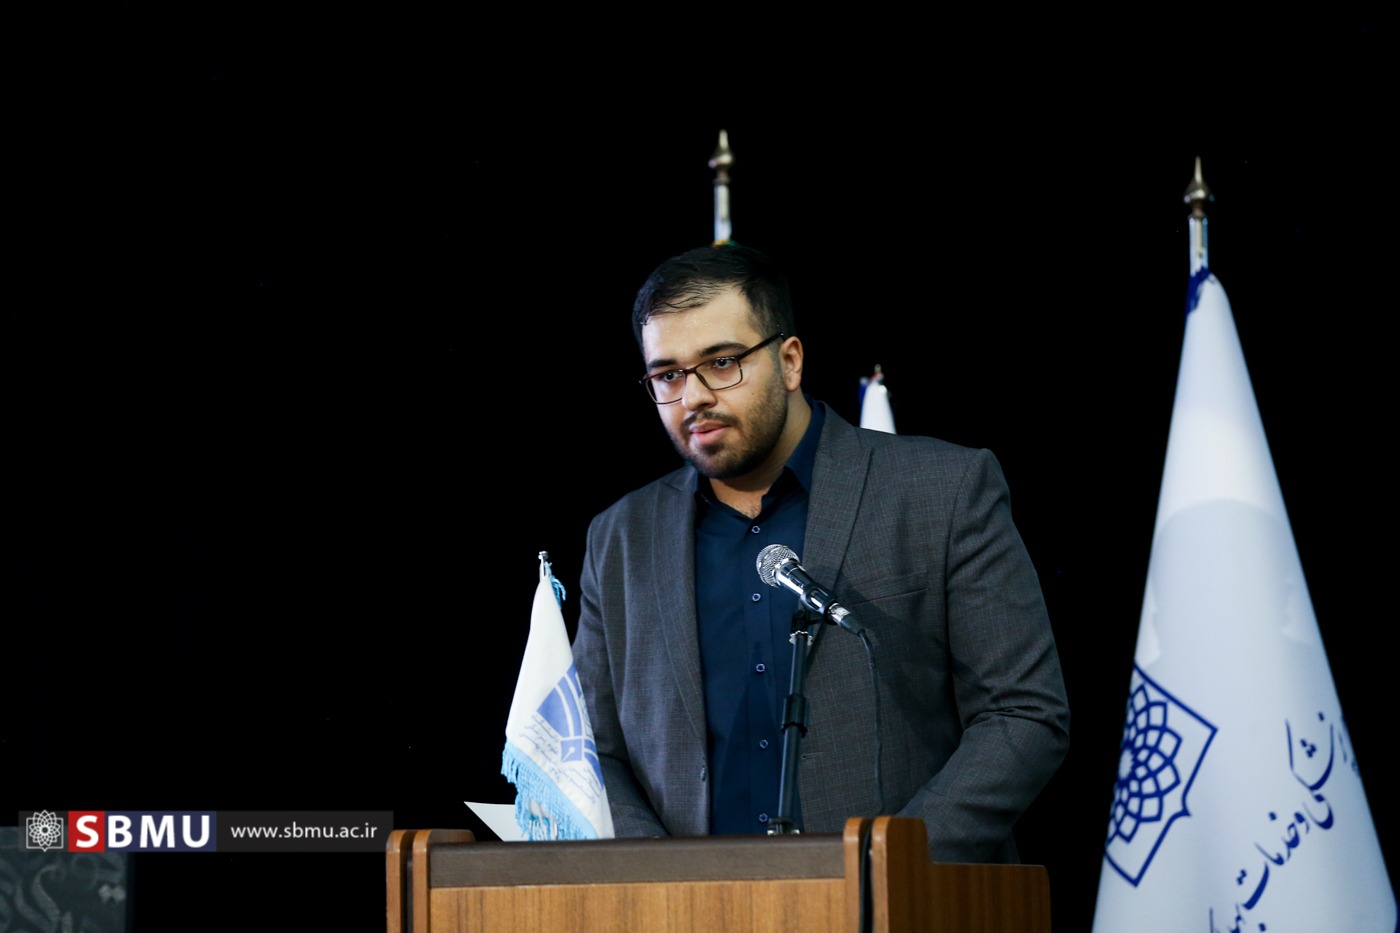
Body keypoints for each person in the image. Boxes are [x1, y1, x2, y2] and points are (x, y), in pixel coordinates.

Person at [571, 242, 1069, 863]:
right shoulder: (620, 539)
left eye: (722, 363)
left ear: (789, 361)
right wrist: (660, 879)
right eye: (668, 375)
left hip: (902, 898)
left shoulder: (941, 492)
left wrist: (891, 865)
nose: (693, 396)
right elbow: (592, 748)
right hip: (694, 904)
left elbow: (1022, 713)